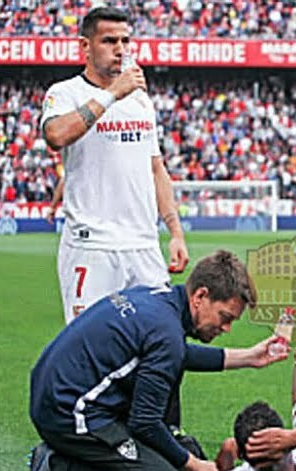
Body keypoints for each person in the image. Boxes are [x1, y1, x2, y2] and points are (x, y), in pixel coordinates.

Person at [22, 250, 289, 471]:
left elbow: (175, 354)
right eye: (225, 317)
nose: (226, 328)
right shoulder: (167, 334)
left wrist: (249, 356)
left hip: (60, 394)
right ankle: (57, 466)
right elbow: (145, 422)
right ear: (200, 296)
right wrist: (194, 465)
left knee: (178, 452)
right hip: (67, 415)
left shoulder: (159, 299)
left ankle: (158, 447)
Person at [40, 6, 189, 324]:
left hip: (143, 245)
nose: (120, 49)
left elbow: (155, 168)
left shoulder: (139, 100)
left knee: (155, 344)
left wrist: (175, 232)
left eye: (125, 41)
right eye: (109, 41)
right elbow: (55, 135)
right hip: (92, 246)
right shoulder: (65, 93)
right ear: (85, 46)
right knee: (92, 353)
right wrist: (112, 94)